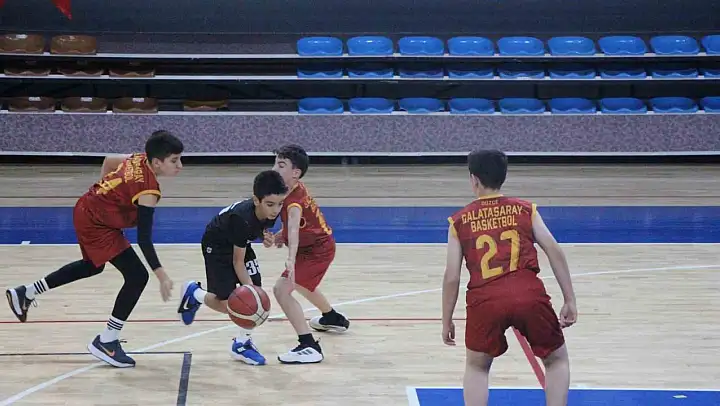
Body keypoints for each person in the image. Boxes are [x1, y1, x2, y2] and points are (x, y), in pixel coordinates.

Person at [5, 130, 184, 368]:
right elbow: (144, 238)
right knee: (137, 276)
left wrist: (104, 196)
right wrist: (161, 275)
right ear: (157, 162)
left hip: (87, 207)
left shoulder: (139, 158)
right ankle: (107, 341)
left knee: (92, 266)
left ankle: (26, 293)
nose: (180, 166)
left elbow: (109, 161)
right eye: (174, 160)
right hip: (97, 223)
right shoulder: (148, 191)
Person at [441, 149, 578, 406]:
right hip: (528, 295)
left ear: (474, 180)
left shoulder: (458, 222)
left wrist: (446, 319)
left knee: (477, 367)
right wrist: (569, 298)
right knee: (556, 360)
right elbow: (554, 250)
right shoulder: (526, 210)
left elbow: (452, 277)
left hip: (485, 301)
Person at [176, 170, 288, 366]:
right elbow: (238, 262)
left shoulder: (270, 209)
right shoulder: (241, 219)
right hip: (217, 245)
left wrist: (264, 235)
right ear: (256, 200)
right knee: (234, 303)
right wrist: (251, 293)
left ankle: (242, 344)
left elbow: (257, 227)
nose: (275, 210)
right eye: (270, 204)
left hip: (239, 243)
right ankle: (194, 293)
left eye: (280, 204)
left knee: (255, 290)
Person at [270, 144, 350, 364]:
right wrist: (281, 234)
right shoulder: (292, 188)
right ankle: (332, 317)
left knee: (281, 289)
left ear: (295, 173)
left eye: (281, 165)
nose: (274, 168)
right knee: (303, 285)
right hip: (315, 244)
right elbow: (298, 225)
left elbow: (294, 230)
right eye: (275, 163)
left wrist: (290, 259)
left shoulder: (293, 202)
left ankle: (309, 345)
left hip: (318, 250)